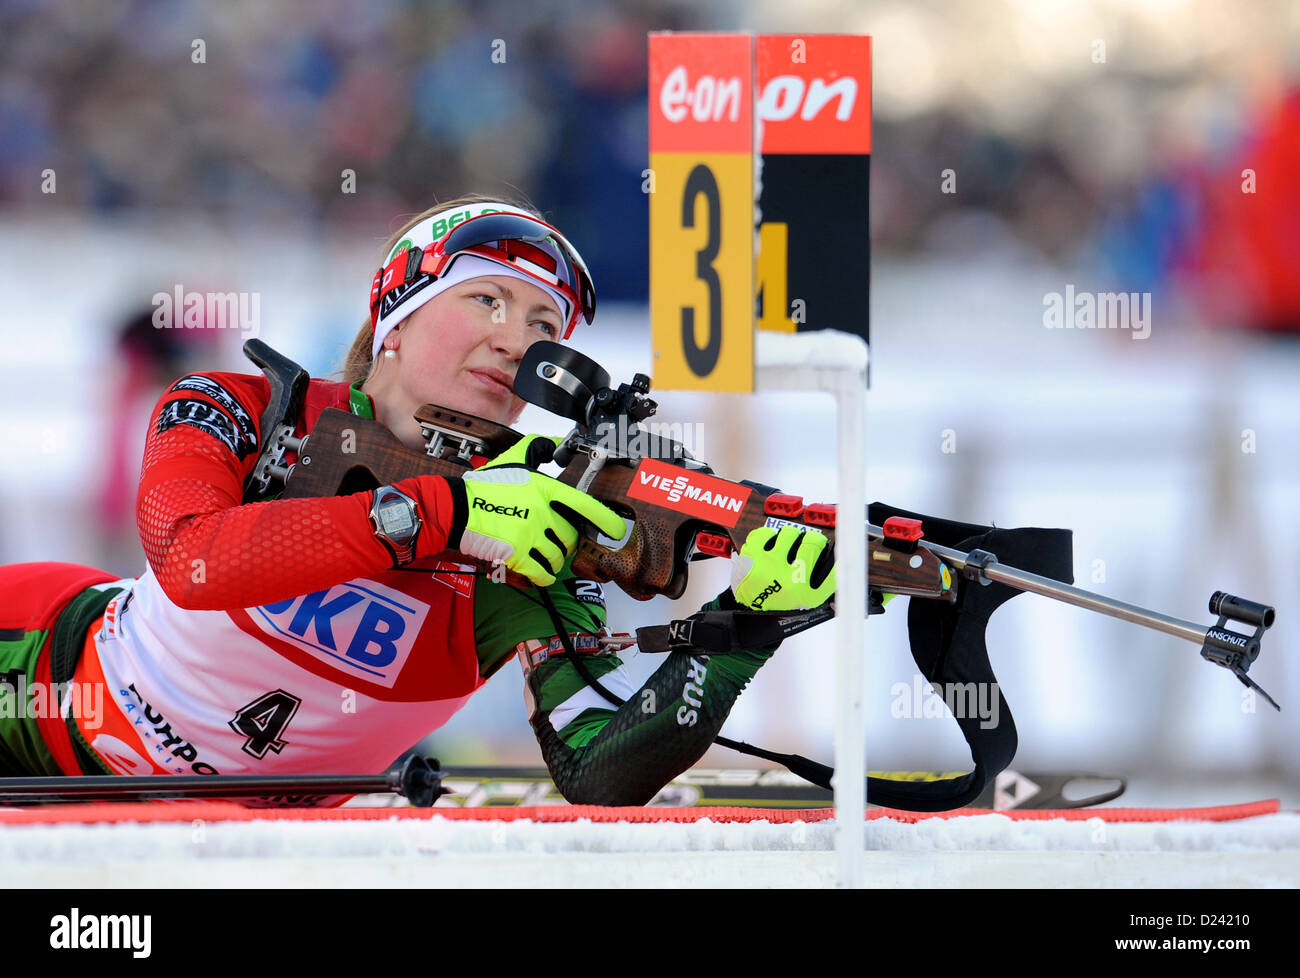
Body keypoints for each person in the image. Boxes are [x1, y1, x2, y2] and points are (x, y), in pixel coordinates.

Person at [0, 195, 836, 804]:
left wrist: (744, 635)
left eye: (546, 327)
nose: (517, 340)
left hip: (217, 834)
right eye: (489, 299)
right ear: (393, 318)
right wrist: (449, 515)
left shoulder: (537, 534)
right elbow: (190, 557)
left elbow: (599, 769)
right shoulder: (247, 410)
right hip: (32, 681)